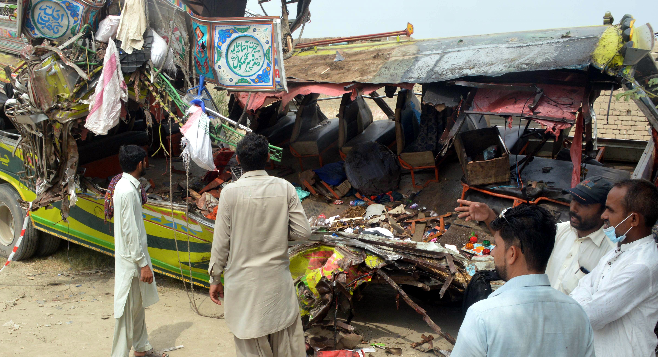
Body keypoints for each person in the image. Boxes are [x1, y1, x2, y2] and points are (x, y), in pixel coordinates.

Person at [208, 133, 311, 357]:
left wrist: (215, 278)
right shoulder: (285, 188)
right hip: (277, 287)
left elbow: (220, 244)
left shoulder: (229, 193)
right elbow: (303, 232)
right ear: (267, 158)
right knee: (284, 346)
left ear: (237, 159)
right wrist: (276, 233)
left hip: (244, 289)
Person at [451, 204, 594, 357]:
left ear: (512, 254)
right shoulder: (578, 314)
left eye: (497, 246)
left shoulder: (482, 316)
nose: (492, 252)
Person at [570, 179, 658, 357]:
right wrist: (588, 298)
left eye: (610, 210)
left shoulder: (643, 265)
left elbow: (591, 315)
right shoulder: (617, 252)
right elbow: (579, 289)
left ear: (633, 219)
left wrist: (588, 299)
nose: (604, 215)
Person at [111, 145, 166, 357]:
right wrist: (142, 264)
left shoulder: (128, 186)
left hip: (134, 258)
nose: (147, 164)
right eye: (145, 161)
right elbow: (130, 231)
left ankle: (141, 348)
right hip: (132, 262)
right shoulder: (126, 190)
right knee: (126, 311)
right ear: (139, 164)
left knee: (137, 306)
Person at [545, 176, 615, 294]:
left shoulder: (611, 252)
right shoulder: (559, 231)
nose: (573, 208)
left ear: (604, 211)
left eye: (584, 204)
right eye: (573, 199)